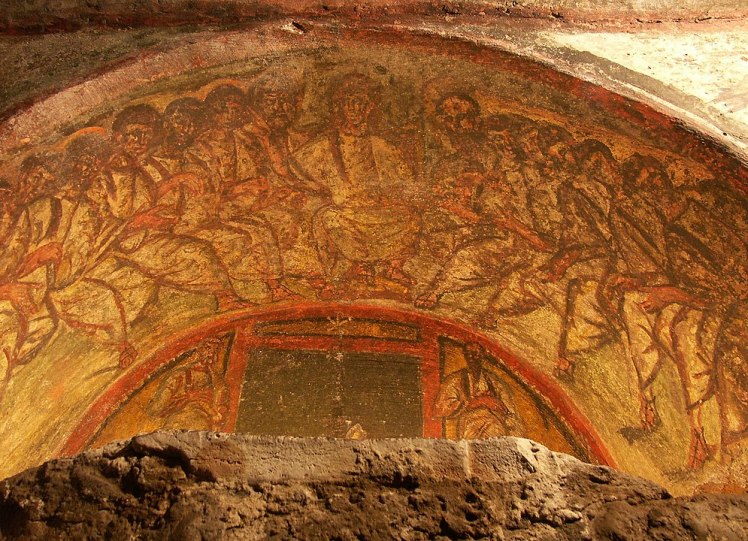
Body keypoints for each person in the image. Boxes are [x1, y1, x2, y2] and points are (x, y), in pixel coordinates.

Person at [290, 73, 420, 294]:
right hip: (344, 211)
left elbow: (403, 184)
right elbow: (300, 178)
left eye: (360, 102)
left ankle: (393, 266)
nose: (354, 108)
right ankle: (358, 265)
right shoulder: (323, 145)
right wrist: (326, 193)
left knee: (411, 218)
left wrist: (388, 199)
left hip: (377, 210)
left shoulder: (382, 146)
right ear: (339, 107)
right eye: (348, 102)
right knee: (331, 219)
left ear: (370, 107)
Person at [434, 342, 523, 438]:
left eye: (475, 353)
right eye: (468, 354)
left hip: (495, 426)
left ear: (482, 356)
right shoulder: (455, 380)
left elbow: (510, 411)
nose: (471, 357)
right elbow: (439, 408)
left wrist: (497, 405)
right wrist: (475, 402)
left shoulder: (494, 382)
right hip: (470, 426)